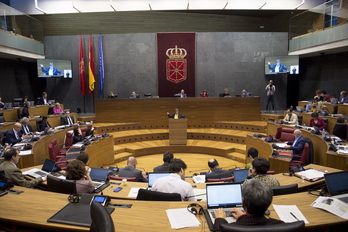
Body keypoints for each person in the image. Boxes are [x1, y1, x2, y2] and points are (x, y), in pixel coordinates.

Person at [213, 179, 284, 231]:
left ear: (243, 203)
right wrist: (243, 217)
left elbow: (219, 230)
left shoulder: (231, 228)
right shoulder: (281, 226)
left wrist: (220, 219)